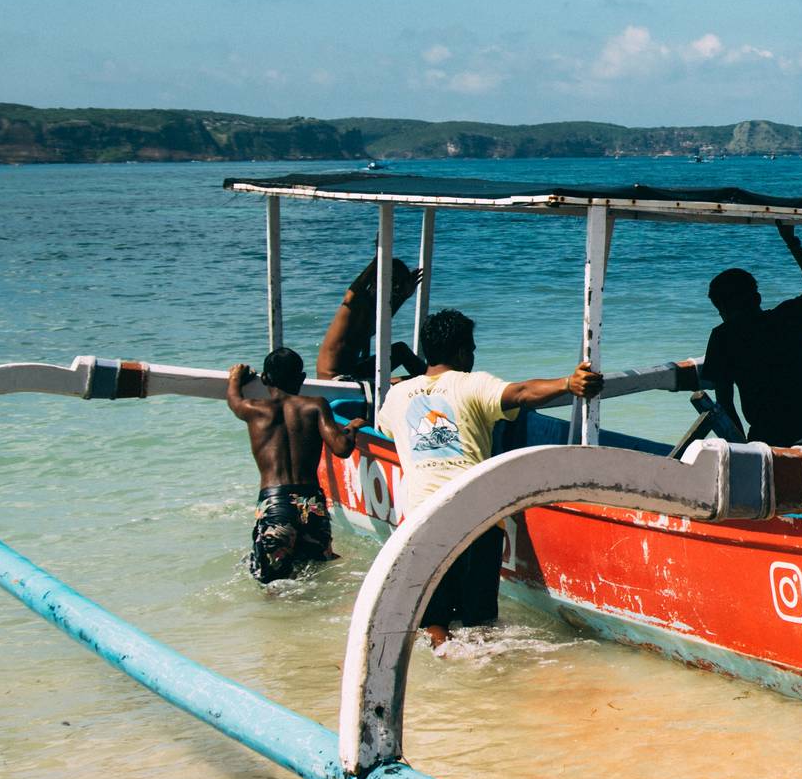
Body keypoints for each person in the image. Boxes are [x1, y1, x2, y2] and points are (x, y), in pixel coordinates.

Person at [376, 307, 601, 646]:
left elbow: (387, 430)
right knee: (479, 625)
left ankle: (449, 675)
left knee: (433, 622)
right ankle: (485, 682)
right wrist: (568, 384)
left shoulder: (396, 395)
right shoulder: (472, 384)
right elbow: (522, 393)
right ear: (462, 351)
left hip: (423, 520)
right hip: (477, 518)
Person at [226, 347, 363, 584]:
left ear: (266, 379)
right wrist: (352, 427)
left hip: (275, 503)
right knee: (315, 579)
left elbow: (233, 400)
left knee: (272, 584)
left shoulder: (253, 409)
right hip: (311, 505)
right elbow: (341, 448)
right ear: (301, 378)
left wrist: (236, 378)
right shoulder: (315, 405)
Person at [700, 222, 802, 447]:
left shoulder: (723, 337)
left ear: (721, 309)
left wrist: (739, 448)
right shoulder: (789, 316)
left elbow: (725, 403)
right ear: (757, 299)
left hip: (768, 439)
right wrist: (792, 242)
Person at [317, 256, 425, 388]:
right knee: (401, 352)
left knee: (413, 372)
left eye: (397, 290)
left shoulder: (371, 309)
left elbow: (380, 321)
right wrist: (376, 262)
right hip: (335, 380)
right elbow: (350, 296)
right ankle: (434, 382)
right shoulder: (357, 304)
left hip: (352, 374)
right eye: (394, 288)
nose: (393, 295)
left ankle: (434, 380)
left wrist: (403, 296)